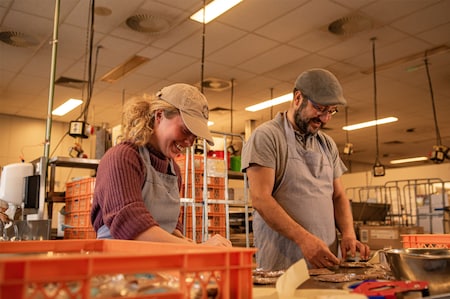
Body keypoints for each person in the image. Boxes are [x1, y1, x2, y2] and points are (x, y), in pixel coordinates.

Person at [241, 68, 370, 270]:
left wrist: (348, 234)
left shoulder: (327, 144)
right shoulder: (267, 136)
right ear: (298, 98)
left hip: (326, 265)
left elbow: (338, 196)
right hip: (283, 265)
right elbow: (260, 199)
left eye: (331, 111)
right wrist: (304, 239)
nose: (325, 118)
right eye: (320, 108)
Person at [91, 83, 232, 247]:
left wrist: (183, 238)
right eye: (186, 130)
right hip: (118, 265)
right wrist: (197, 249)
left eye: (195, 137)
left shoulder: (173, 170)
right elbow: (130, 225)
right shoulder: (122, 158)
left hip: (155, 264)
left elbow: (169, 226)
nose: (189, 142)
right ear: (159, 116)